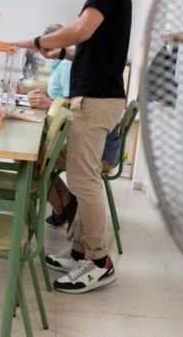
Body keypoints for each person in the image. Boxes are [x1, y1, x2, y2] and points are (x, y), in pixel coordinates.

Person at [14, 0, 130, 294]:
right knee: (78, 175)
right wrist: (61, 53)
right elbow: (93, 47)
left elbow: (80, 30)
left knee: (83, 181)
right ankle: (80, 250)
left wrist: (35, 42)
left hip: (97, 101)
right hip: (92, 97)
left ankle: (99, 261)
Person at [26, 24, 122, 231]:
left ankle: (64, 208)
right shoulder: (70, 63)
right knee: (35, 156)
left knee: (31, 159)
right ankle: (67, 202)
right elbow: (61, 93)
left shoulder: (73, 65)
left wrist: (48, 103)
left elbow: (73, 108)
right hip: (97, 142)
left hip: (98, 151)